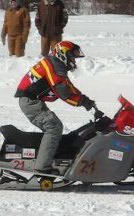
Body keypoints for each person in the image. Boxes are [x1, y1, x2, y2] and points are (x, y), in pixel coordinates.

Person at [14, 41, 97, 173]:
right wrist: (83, 102)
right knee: (53, 127)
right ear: (63, 54)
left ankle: (49, 158)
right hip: (30, 102)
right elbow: (64, 93)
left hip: (33, 101)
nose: (73, 60)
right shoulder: (53, 66)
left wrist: (86, 101)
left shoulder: (56, 65)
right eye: (72, 56)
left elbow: (68, 87)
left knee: (54, 126)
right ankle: (42, 168)